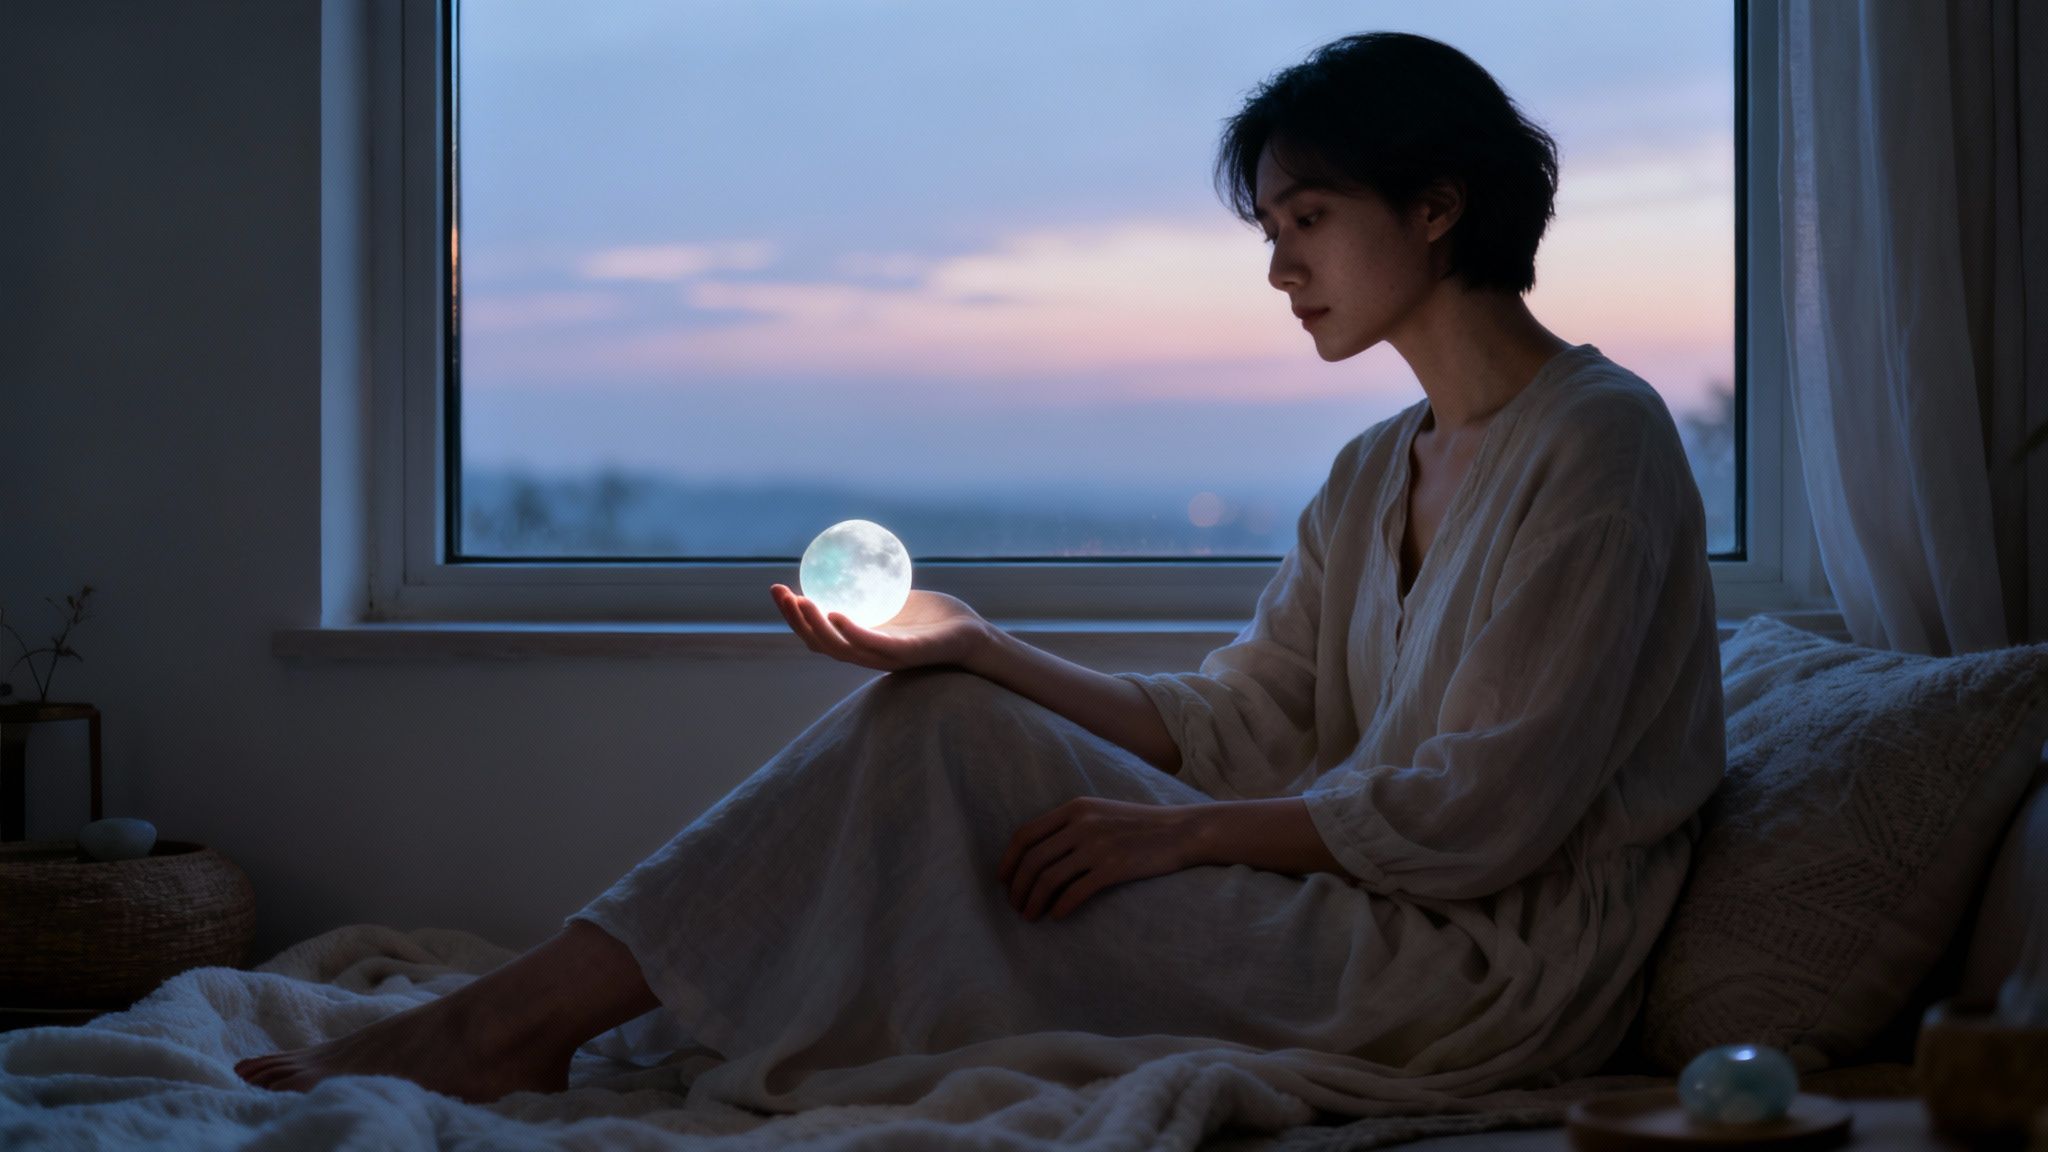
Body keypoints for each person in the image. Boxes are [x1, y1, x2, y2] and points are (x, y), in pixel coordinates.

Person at [235, 31, 1724, 1109]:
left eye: (1309, 221)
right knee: (941, 722)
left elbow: (1487, 810)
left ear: (1438, 206)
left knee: (981, 789)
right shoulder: (1371, 468)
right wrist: (981, 647)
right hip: (1375, 908)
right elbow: (1238, 725)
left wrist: (1185, 842)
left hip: (1483, 973)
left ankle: (503, 1022)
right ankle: (521, 1016)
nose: (1280, 268)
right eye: (1271, 231)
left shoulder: (1598, 442)